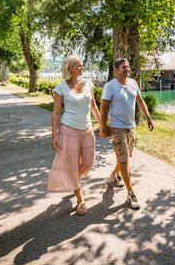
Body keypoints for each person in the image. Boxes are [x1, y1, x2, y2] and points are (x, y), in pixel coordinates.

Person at [48, 55, 102, 216]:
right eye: (79, 65)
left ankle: (72, 179)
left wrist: (103, 125)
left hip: (87, 129)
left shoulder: (88, 84)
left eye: (82, 65)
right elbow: (56, 113)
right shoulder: (61, 88)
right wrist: (54, 136)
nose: (82, 68)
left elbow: (93, 106)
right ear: (70, 69)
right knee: (72, 166)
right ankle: (80, 199)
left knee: (88, 163)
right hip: (68, 129)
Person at [100, 58, 154, 210]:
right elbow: (103, 107)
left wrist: (148, 118)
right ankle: (131, 193)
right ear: (116, 70)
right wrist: (103, 127)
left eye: (128, 66)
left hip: (131, 126)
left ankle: (114, 175)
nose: (127, 69)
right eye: (124, 67)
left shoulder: (133, 83)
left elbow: (140, 101)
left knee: (124, 157)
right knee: (124, 160)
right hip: (117, 127)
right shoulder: (110, 86)